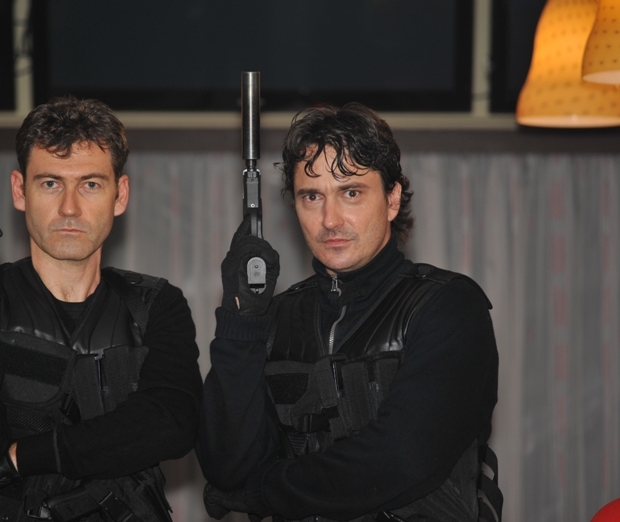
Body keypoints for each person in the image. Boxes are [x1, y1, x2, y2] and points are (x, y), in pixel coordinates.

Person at [197, 103, 502, 522]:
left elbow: (398, 460)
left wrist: (264, 492)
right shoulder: (276, 319)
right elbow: (226, 467)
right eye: (312, 196)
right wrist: (241, 323)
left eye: (351, 193)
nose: (330, 219)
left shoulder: (448, 306)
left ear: (392, 199)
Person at [0, 97, 203, 522]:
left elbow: (173, 423)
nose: (70, 207)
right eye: (51, 183)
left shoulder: (155, 305)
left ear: (120, 195)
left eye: (90, 184)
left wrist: (20, 457)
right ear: (20, 191)